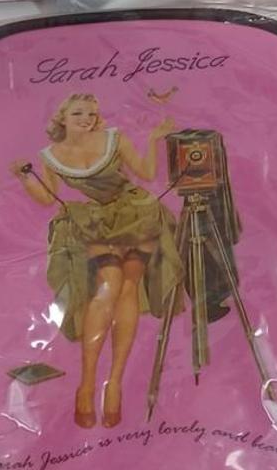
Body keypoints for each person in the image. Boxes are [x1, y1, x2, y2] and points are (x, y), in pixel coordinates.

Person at [10, 93, 182, 429]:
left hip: (137, 213)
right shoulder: (51, 156)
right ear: (62, 117)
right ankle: (87, 384)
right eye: (78, 113)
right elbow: (46, 198)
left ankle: (114, 383)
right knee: (109, 282)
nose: (86, 119)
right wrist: (24, 177)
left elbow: (146, 173)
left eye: (91, 113)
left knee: (128, 285)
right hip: (95, 221)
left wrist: (152, 138)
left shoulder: (114, 138)